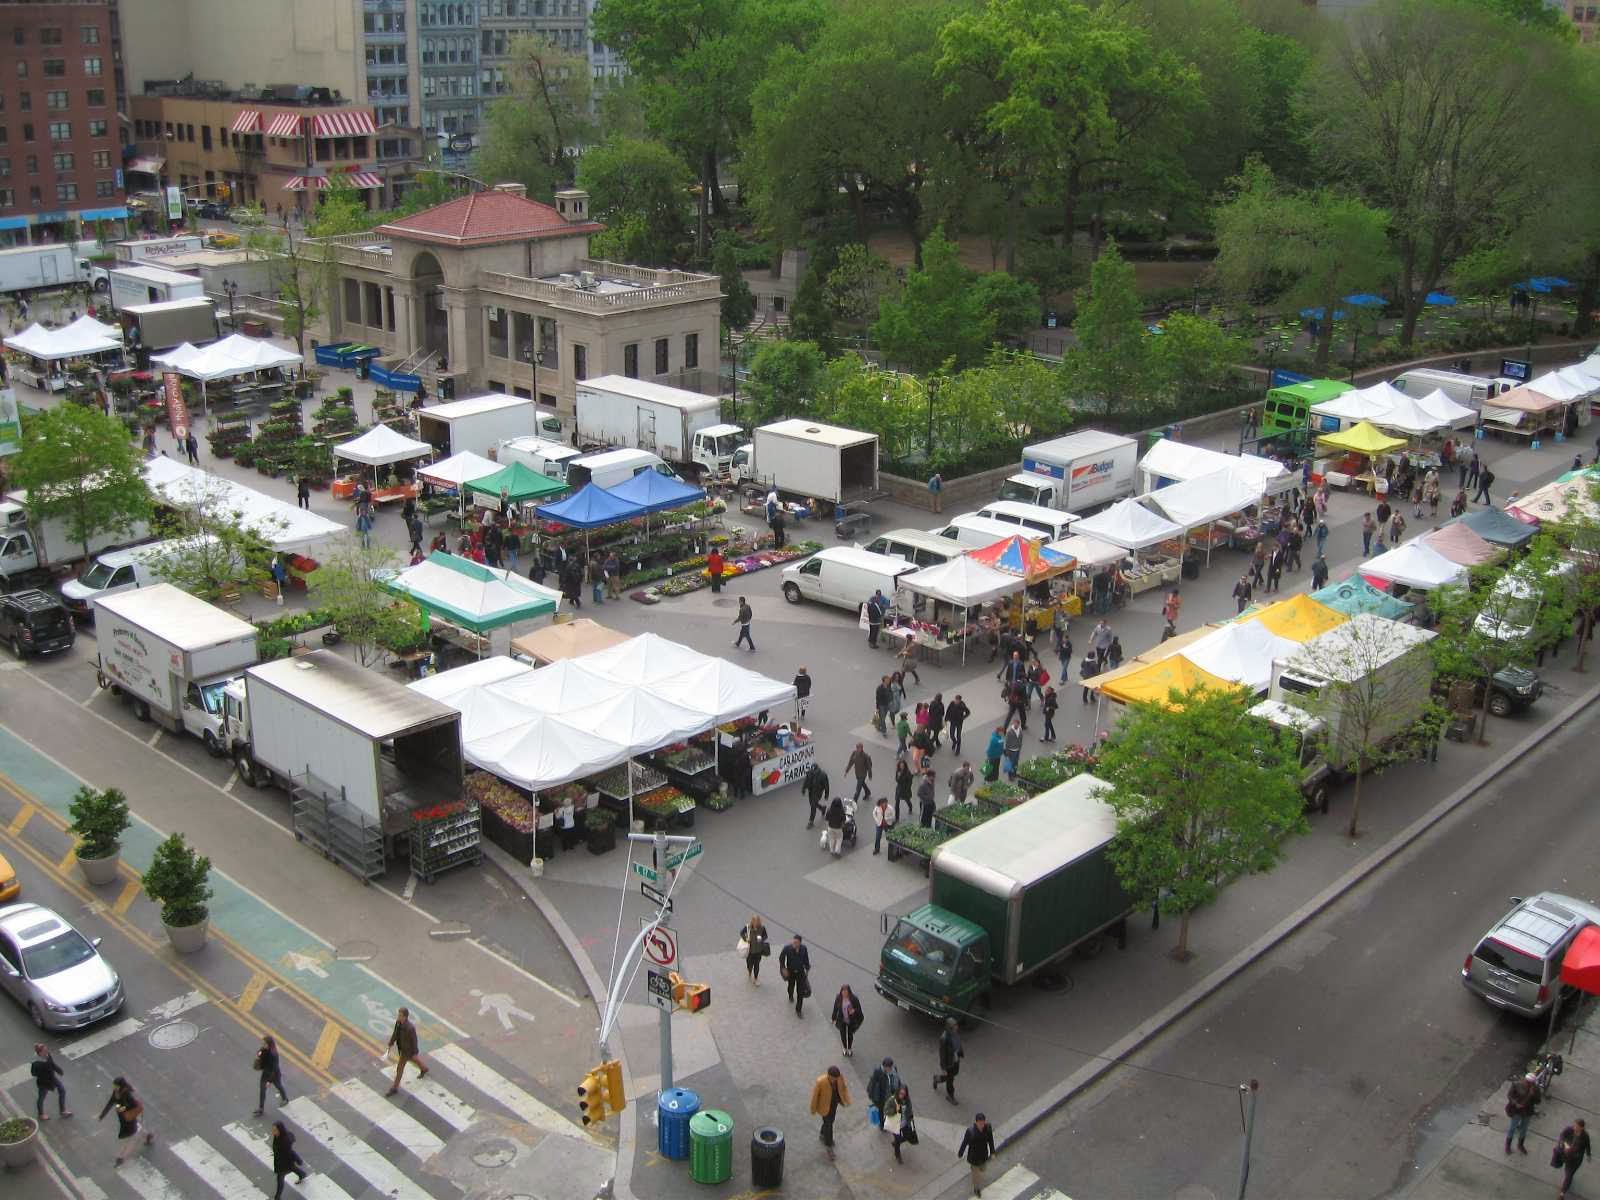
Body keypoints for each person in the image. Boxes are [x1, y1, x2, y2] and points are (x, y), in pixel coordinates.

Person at [101, 1076, 153, 1165]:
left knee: (131, 1135)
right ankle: (148, 1135)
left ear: (121, 1085)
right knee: (136, 1130)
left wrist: (121, 1108)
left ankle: (120, 1157)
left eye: (116, 1086)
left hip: (135, 1112)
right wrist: (102, 1115)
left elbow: (132, 1105)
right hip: (127, 1115)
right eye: (114, 1085)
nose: (114, 1087)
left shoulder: (127, 1094)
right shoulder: (116, 1092)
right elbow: (111, 1102)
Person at [808, 1065, 850, 1159]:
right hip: (824, 1107)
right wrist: (813, 1108)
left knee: (830, 1121)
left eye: (836, 1078)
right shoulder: (821, 1082)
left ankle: (823, 1134)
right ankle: (829, 1145)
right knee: (829, 1125)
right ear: (829, 1076)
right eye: (833, 1078)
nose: (835, 1080)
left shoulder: (839, 1077)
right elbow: (815, 1096)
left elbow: (843, 1088)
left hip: (833, 1105)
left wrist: (847, 1099)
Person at [386, 1006, 429, 1096]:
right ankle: (424, 1069)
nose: (398, 1017)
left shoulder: (410, 1028)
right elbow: (395, 1033)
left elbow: (414, 1041)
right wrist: (391, 1042)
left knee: (400, 1068)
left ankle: (395, 1087)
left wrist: (414, 1052)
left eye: (400, 1016)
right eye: (398, 1015)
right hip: (403, 1050)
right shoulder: (398, 1023)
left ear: (405, 1017)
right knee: (414, 1060)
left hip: (408, 1051)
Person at [959, 1113, 996, 1196]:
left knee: (983, 1169)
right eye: (980, 1123)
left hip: (983, 1155)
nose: (981, 1125)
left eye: (983, 1123)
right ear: (976, 1122)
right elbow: (965, 1142)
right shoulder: (970, 1131)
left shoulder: (988, 1129)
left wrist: (992, 1152)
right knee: (976, 1175)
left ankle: (975, 1170)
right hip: (974, 1156)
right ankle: (976, 1188)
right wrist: (961, 1153)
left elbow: (991, 1141)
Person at [31, 1043, 70, 1120]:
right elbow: (33, 1073)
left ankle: (62, 1111)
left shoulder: (47, 1055)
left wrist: (59, 1070)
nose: (47, 1051)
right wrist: (43, 1073)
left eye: (46, 1049)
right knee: (41, 1097)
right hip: (44, 1083)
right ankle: (41, 1114)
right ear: (40, 1053)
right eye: (45, 1050)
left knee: (62, 1091)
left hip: (52, 1078)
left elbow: (52, 1064)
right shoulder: (36, 1063)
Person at [271, 1121, 308, 1199]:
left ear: (280, 1130)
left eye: (275, 1130)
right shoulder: (278, 1136)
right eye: (273, 1129)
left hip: (284, 1162)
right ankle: (302, 1174)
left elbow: (290, 1152)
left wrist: (298, 1160)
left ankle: (277, 1197)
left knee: (280, 1178)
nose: (273, 1132)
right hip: (282, 1161)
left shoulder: (284, 1141)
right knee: (292, 1168)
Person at [1504, 1072, 1539, 1155]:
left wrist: (1533, 1095)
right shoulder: (1516, 1085)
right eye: (1527, 1082)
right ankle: (1508, 1145)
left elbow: (1538, 1101)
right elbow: (1509, 1095)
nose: (1528, 1084)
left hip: (1527, 1111)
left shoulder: (1535, 1089)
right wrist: (1516, 1104)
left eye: (1530, 1083)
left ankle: (1520, 1145)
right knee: (1512, 1128)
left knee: (1524, 1129)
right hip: (1517, 1111)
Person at [254, 1034, 288, 1117]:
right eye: (262, 1043)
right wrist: (259, 1054)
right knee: (262, 1090)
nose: (263, 1045)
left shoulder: (274, 1054)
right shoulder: (264, 1049)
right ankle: (261, 1109)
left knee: (279, 1086)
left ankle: (285, 1099)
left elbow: (275, 1068)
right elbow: (259, 1053)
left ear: (269, 1044)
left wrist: (269, 1081)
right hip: (266, 1072)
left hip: (274, 1075)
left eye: (264, 1044)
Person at [867, 1057, 902, 1135]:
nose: (889, 1069)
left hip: (891, 1095)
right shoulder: (878, 1072)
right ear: (884, 1066)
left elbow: (897, 1080)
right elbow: (873, 1084)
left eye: (890, 1067)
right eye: (888, 1068)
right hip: (881, 1097)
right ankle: (882, 1125)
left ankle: (889, 1122)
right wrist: (872, 1096)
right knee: (881, 1111)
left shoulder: (894, 1069)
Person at [933, 1017, 964, 1103]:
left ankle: (937, 1079)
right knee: (950, 1080)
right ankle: (950, 1096)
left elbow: (958, 1043)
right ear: (949, 1027)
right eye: (954, 1027)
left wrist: (960, 1053)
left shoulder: (955, 1033)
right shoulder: (944, 1039)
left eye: (956, 1026)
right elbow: (942, 1055)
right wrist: (943, 1068)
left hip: (955, 1060)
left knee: (952, 1075)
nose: (956, 1028)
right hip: (949, 1063)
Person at [779, 934, 811, 1016]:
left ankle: (798, 1010)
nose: (794, 943)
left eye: (796, 942)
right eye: (793, 942)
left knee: (800, 992)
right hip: (791, 972)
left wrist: (807, 967)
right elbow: (781, 958)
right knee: (791, 986)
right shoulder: (787, 948)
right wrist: (783, 968)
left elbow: (806, 959)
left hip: (800, 973)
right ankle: (790, 996)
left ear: (800, 943)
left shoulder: (804, 949)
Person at [1558, 1117, 1591, 1198]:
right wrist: (1562, 1142)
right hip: (1567, 1156)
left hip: (1576, 1160)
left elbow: (1587, 1146)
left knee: (1569, 1175)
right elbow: (1562, 1134)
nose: (1574, 1127)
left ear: (1582, 1128)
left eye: (1576, 1126)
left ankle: (1562, 1193)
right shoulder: (1570, 1129)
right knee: (1567, 1171)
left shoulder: (1585, 1137)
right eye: (1574, 1125)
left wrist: (1588, 1155)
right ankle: (1566, 1183)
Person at [885, 1084, 916, 1164]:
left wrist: (910, 1116)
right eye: (900, 1093)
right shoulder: (892, 1100)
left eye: (904, 1094)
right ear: (898, 1092)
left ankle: (895, 1143)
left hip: (905, 1123)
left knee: (907, 1137)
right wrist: (895, 1110)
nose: (902, 1096)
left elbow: (909, 1108)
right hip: (895, 1125)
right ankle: (897, 1155)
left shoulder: (907, 1100)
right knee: (898, 1141)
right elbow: (886, 1111)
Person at [831, 984, 864, 1056]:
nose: (844, 994)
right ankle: (844, 1048)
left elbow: (859, 1009)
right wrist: (833, 1018)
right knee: (842, 1035)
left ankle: (849, 1048)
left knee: (850, 1035)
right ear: (841, 992)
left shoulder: (854, 999)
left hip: (851, 1020)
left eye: (846, 992)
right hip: (841, 1020)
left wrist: (853, 1011)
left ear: (849, 992)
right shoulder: (838, 998)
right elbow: (835, 1008)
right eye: (843, 992)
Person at [741, 915, 770, 983]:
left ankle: (756, 978)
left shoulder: (762, 928)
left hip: (758, 951)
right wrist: (746, 939)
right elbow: (742, 933)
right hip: (750, 951)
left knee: (757, 965)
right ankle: (749, 970)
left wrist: (761, 939)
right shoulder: (747, 927)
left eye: (757, 921)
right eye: (754, 921)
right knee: (749, 964)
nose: (755, 922)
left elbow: (765, 936)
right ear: (752, 921)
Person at [802, 762, 830, 828]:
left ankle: (811, 821)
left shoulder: (823, 775)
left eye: (814, 771)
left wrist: (826, 795)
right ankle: (822, 808)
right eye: (812, 771)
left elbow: (826, 786)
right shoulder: (810, 773)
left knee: (813, 806)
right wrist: (804, 789)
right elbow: (806, 781)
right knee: (813, 804)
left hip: (818, 793)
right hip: (811, 792)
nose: (813, 772)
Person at [893, 758, 913, 822]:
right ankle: (897, 818)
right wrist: (898, 776)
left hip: (905, 790)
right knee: (897, 804)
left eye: (903, 766)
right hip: (899, 789)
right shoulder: (898, 771)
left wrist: (907, 789)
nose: (901, 767)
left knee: (907, 800)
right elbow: (897, 780)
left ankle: (910, 807)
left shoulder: (908, 773)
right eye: (900, 766)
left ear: (905, 766)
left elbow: (910, 783)